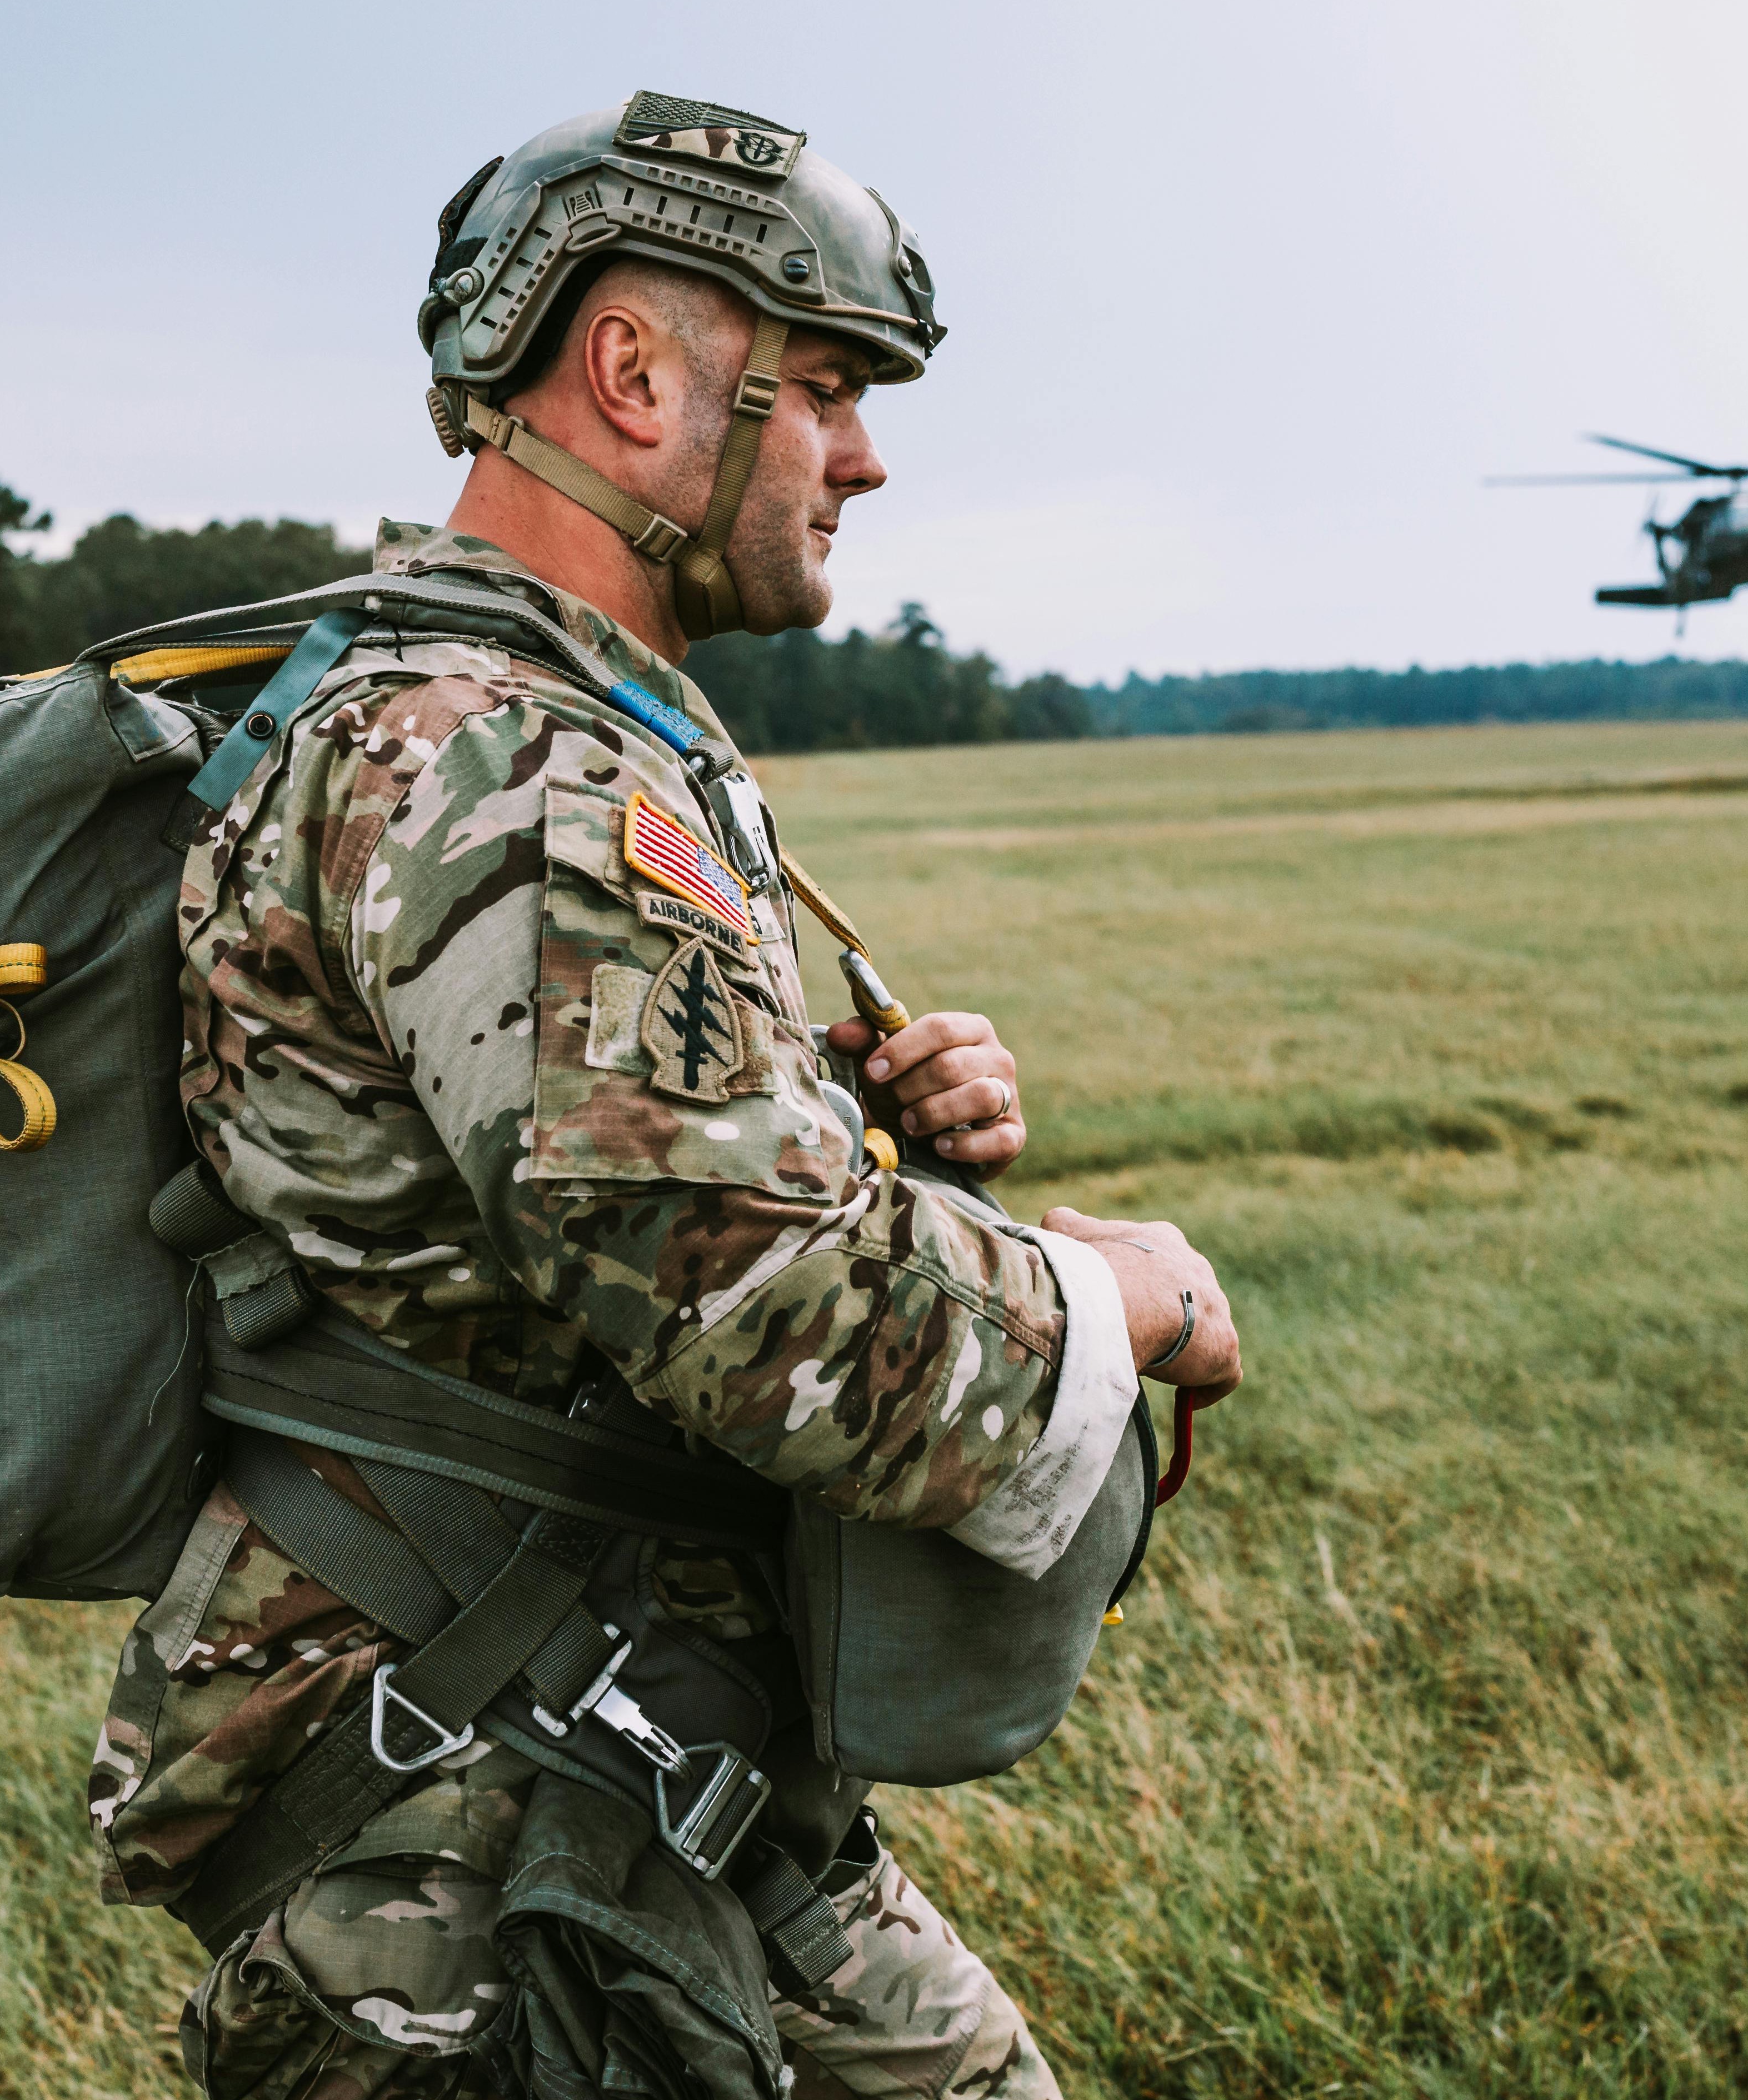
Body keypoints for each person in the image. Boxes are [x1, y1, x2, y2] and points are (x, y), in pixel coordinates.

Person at [83, 93, 1243, 2099]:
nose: (865, 457)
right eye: (828, 390)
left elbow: (591, 1192)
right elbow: (779, 1315)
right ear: (634, 376)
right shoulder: (520, 769)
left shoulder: (490, 716)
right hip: (465, 1835)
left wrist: (850, 1129)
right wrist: (1128, 1295)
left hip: (611, 1735)